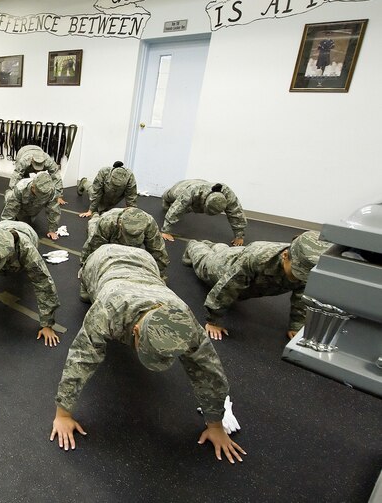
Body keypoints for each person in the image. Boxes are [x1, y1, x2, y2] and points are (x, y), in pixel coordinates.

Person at [51, 244, 245, 463]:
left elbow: (209, 370)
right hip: (102, 261)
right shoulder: (109, 310)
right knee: (87, 297)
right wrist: (63, 414)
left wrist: (216, 425)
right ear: (135, 330)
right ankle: (85, 283)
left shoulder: (184, 322)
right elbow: (81, 358)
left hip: (144, 261)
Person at [183, 230, 332, 340]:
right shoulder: (258, 259)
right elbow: (228, 287)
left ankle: (215, 246)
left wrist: (296, 325)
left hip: (240, 255)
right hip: (224, 267)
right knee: (204, 261)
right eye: (296, 272)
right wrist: (213, 320)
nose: (300, 278)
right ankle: (194, 245)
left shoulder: (307, 265)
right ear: (285, 256)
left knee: (226, 251)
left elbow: (301, 297)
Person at [80, 207, 169, 284]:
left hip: (127, 238)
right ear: (120, 224)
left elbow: (158, 250)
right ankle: (95, 216)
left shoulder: (149, 223)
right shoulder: (107, 221)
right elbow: (93, 246)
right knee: (93, 228)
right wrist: (85, 267)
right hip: (107, 229)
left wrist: (159, 275)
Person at [161, 179, 247, 245]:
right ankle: (165, 198)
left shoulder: (227, 194)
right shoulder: (191, 192)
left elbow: (236, 213)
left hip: (203, 187)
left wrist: (239, 235)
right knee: (169, 196)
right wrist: (166, 231)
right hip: (186, 186)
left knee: (187, 208)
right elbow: (177, 209)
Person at [1, 171, 61, 239]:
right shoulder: (21, 188)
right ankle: (8, 193)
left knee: (25, 224)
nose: (42, 196)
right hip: (19, 201)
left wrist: (52, 230)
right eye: (40, 193)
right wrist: (5, 228)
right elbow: (10, 209)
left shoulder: (50, 190)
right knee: (9, 200)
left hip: (33, 206)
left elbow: (53, 210)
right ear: (33, 187)